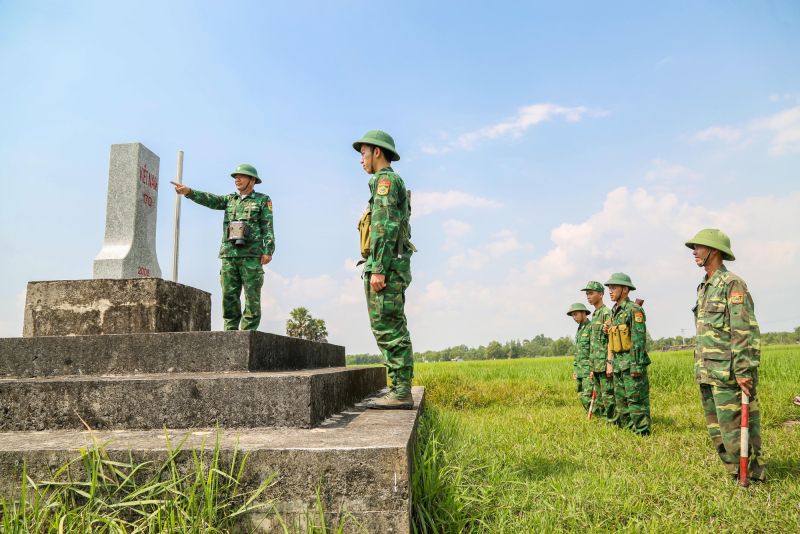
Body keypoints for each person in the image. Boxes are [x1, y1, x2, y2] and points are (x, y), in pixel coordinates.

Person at [685, 228, 766, 482]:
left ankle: (752, 475)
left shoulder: (732, 284)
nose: (694, 252)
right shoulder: (704, 286)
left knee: (736, 428)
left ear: (714, 250)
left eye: (698, 247)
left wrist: (743, 369)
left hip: (729, 372)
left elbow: (743, 330)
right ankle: (733, 471)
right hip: (707, 370)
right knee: (717, 429)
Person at [353, 130, 415, 409]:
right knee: (388, 325)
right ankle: (399, 388)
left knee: (389, 327)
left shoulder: (385, 181)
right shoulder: (385, 181)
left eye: (364, 153)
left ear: (377, 152)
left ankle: (401, 391)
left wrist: (378, 267)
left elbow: (385, 227)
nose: (361, 160)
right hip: (389, 264)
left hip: (386, 267)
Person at [171, 164, 274, 331]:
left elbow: (267, 226)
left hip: (252, 255)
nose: (237, 179)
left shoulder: (262, 200)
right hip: (229, 254)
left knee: (252, 296)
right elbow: (211, 200)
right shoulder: (229, 200)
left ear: (252, 180)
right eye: (235, 177)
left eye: (241, 176)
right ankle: (230, 331)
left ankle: (248, 332)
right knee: (229, 295)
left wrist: (268, 250)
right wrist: (189, 192)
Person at [604, 273, 651, 435]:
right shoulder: (614, 311)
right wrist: (610, 363)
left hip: (631, 364)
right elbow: (614, 339)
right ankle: (630, 433)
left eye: (614, 288)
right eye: (609, 288)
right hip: (618, 364)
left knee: (635, 401)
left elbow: (638, 340)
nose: (610, 291)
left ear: (625, 289)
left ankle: (642, 434)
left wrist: (636, 366)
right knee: (621, 402)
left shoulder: (634, 310)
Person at [582, 281, 614, 422]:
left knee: (608, 396)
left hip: (604, 363)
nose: (588, 296)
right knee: (600, 397)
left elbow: (611, 340)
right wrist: (591, 367)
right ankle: (604, 422)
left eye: (591, 293)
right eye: (587, 294)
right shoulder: (595, 314)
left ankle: (614, 422)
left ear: (601, 294)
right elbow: (594, 343)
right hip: (596, 364)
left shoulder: (607, 313)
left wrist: (609, 362)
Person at [567, 302, 592, 412]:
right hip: (580, 370)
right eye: (572, 315)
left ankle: (598, 417)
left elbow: (595, 350)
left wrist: (593, 369)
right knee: (581, 395)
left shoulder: (591, 327)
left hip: (588, 370)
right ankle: (593, 416)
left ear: (584, 313)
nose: (574, 317)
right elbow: (578, 352)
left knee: (589, 396)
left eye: (576, 314)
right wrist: (575, 369)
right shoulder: (580, 329)